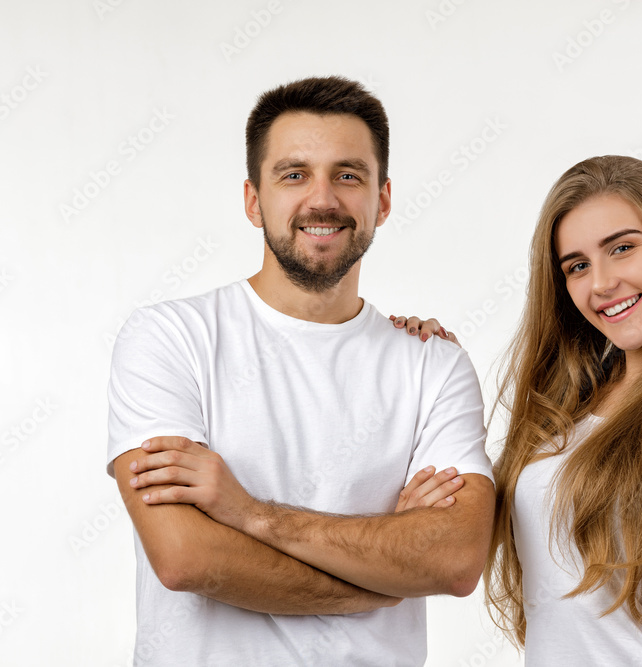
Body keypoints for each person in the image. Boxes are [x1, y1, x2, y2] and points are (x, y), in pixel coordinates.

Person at [105, 76, 495, 666]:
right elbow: (185, 557)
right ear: (253, 200)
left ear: (382, 200)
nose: (322, 199)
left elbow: (457, 558)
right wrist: (384, 576)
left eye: (348, 174)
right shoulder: (169, 339)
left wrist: (250, 514)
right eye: (294, 174)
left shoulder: (432, 364)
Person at [394, 155, 642, 666]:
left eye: (621, 248)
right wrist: (431, 361)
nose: (600, 284)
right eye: (577, 266)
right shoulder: (565, 406)